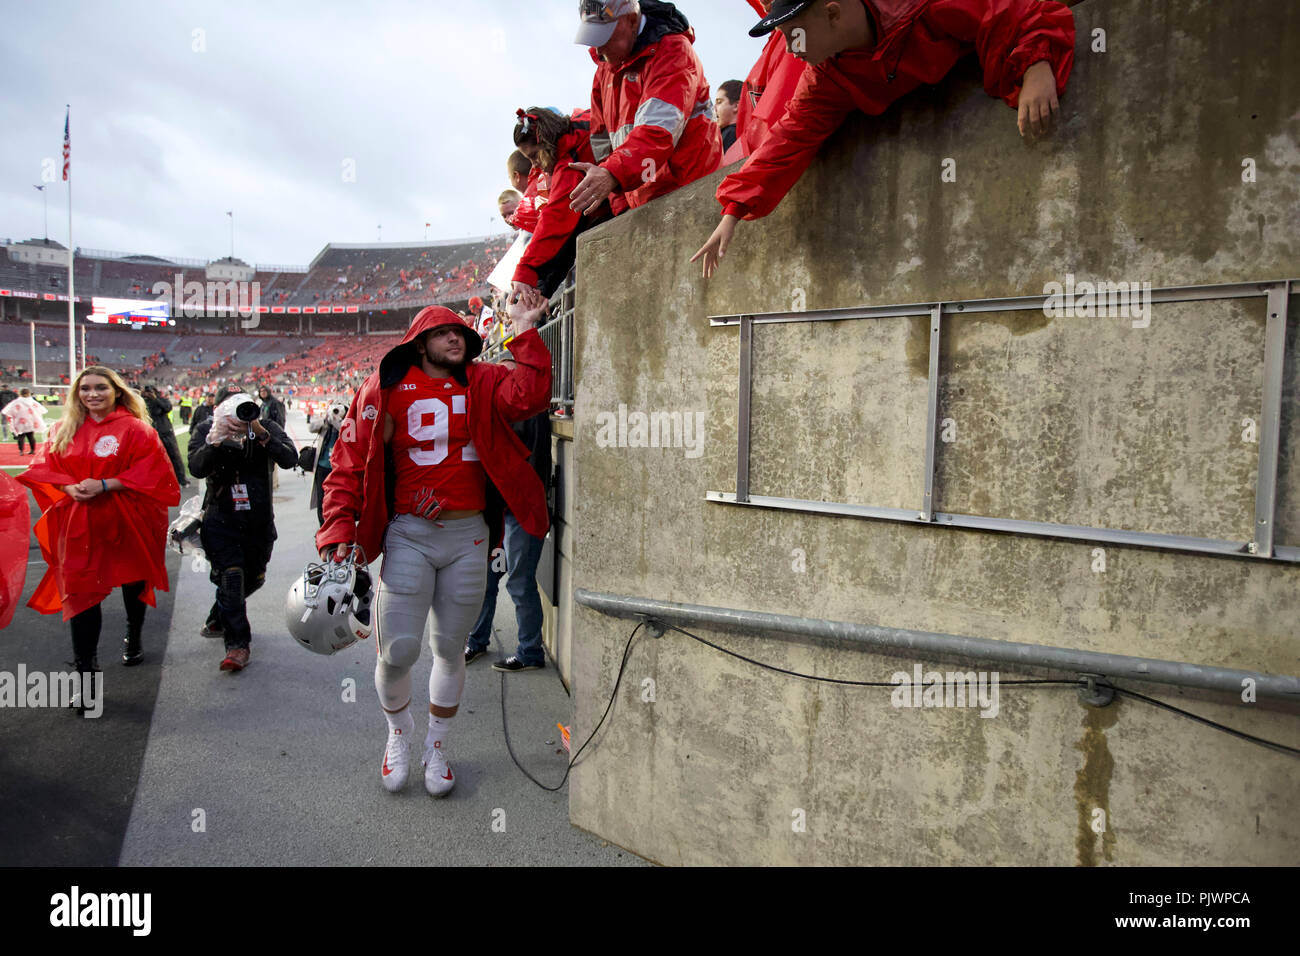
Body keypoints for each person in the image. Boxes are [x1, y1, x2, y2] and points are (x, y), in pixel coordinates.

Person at [317, 290, 552, 798]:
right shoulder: (382, 389)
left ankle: (438, 745)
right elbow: (348, 462)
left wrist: (525, 331)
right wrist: (339, 527)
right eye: (445, 333)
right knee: (398, 651)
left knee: (450, 649)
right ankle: (399, 735)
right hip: (409, 534)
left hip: (469, 534)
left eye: (463, 335)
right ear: (419, 342)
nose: (457, 339)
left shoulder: (485, 380)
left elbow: (530, 395)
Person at [691, 0, 1076, 277]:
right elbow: (790, 136)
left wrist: (1036, 64)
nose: (790, 49)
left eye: (794, 35)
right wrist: (734, 210)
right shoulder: (827, 74)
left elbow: (1010, 10)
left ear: (832, 13)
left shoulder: (922, 6)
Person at [17, 367, 180, 708]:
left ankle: (133, 636)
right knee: (80, 594)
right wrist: (67, 486)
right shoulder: (62, 429)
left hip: (127, 520)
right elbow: (45, 466)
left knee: (132, 583)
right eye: (85, 388)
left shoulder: (136, 429)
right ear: (77, 393)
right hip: (79, 524)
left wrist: (107, 484)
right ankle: (86, 678)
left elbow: (155, 472)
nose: (92, 394)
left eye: (100, 387)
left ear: (117, 391)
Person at [568, 0, 722, 218]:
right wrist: (620, 205)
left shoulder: (673, 51)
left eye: (604, 36)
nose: (598, 48)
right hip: (642, 205)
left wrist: (612, 174)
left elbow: (657, 132)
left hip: (691, 195)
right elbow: (603, 144)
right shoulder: (604, 71)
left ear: (631, 20)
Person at [188, 386, 298, 671]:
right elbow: (196, 467)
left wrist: (261, 433)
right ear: (218, 408)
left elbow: (289, 459)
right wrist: (215, 440)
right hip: (220, 519)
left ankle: (218, 616)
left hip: (258, 521)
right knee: (232, 576)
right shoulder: (206, 428)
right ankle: (237, 645)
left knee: (254, 578)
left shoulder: (264, 426)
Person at [465, 408, 552, 671]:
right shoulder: (497, 405)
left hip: (521, 511)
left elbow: (535, 462)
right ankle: (477, 641)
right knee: (487, 579)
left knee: (519, 581)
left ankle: (530, 652)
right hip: (499, 512)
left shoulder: (530, 409)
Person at [510, 106, 605, 297]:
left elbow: (555, 217)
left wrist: (526, 269)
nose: (535, 164)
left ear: (545, 142)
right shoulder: (581, 124)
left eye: (534, 156)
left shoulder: (569, 160)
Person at [305, 400, 348, 526]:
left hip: (339, 468)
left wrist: (337, 421)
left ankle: (337, 528)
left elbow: (345, 432)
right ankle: (323, 527)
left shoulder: (348, 423)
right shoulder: (326, 423)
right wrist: (326, 419)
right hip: (323, 467)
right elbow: (311, 428)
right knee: (321, 501)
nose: (336, 413)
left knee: (338, 500)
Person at [141, 385, 189, 488]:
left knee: (174, 456)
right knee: (154, 458)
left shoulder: (162, 400)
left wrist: (155, 399)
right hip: (152, 432)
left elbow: (167, 408)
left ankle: (182, 479)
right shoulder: (144, 402)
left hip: (166, 431)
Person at [3, 387, 45, 455]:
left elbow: (9, 410)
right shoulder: (32, 401)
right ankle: (32, 450)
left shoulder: (16, 402)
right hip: (30, 422)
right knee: (30, 436)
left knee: (21, 436)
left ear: (20, 393)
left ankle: (21, 451)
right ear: (28, 393)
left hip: (20, 422)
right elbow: (40, 410)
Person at [716, 79, 742, 151]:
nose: (714, 108)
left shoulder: (730, 134)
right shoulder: (743, 134)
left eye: (719, 102)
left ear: (736, 106)